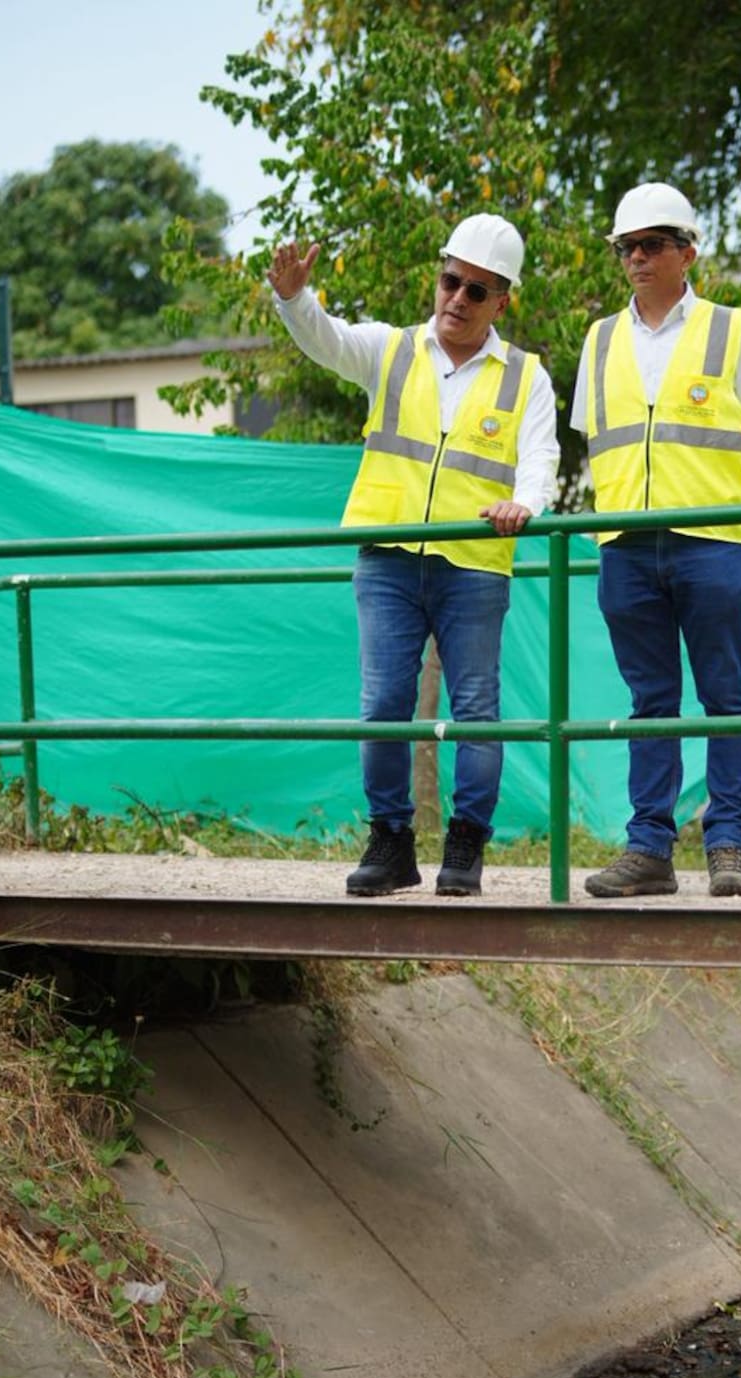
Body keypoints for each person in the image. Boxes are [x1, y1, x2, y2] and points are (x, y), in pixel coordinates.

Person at [268, 214, 560, 897]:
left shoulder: (528, 378)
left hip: (473, 564)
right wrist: (292, 299)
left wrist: (528, 504)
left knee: (477, 708)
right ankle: (391, 842)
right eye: (449, 281)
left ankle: (466, 847)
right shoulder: (391, 349)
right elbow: (327, 339)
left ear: (502, 301)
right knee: (382, 706)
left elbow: (540, 459)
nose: (456, 298)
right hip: (388, 558)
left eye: (476, 290)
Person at [571, 182, 741, 899]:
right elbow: (599, 443)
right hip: (626, 544)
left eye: (651, 243)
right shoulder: (599, 339)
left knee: (727, 695)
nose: (636, 256)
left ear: (687, 251)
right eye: (626, 246)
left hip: (713, 543)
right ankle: (649, 850)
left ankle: (727, 843)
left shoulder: (732, 330)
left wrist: (717, 508)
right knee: (649, 702)